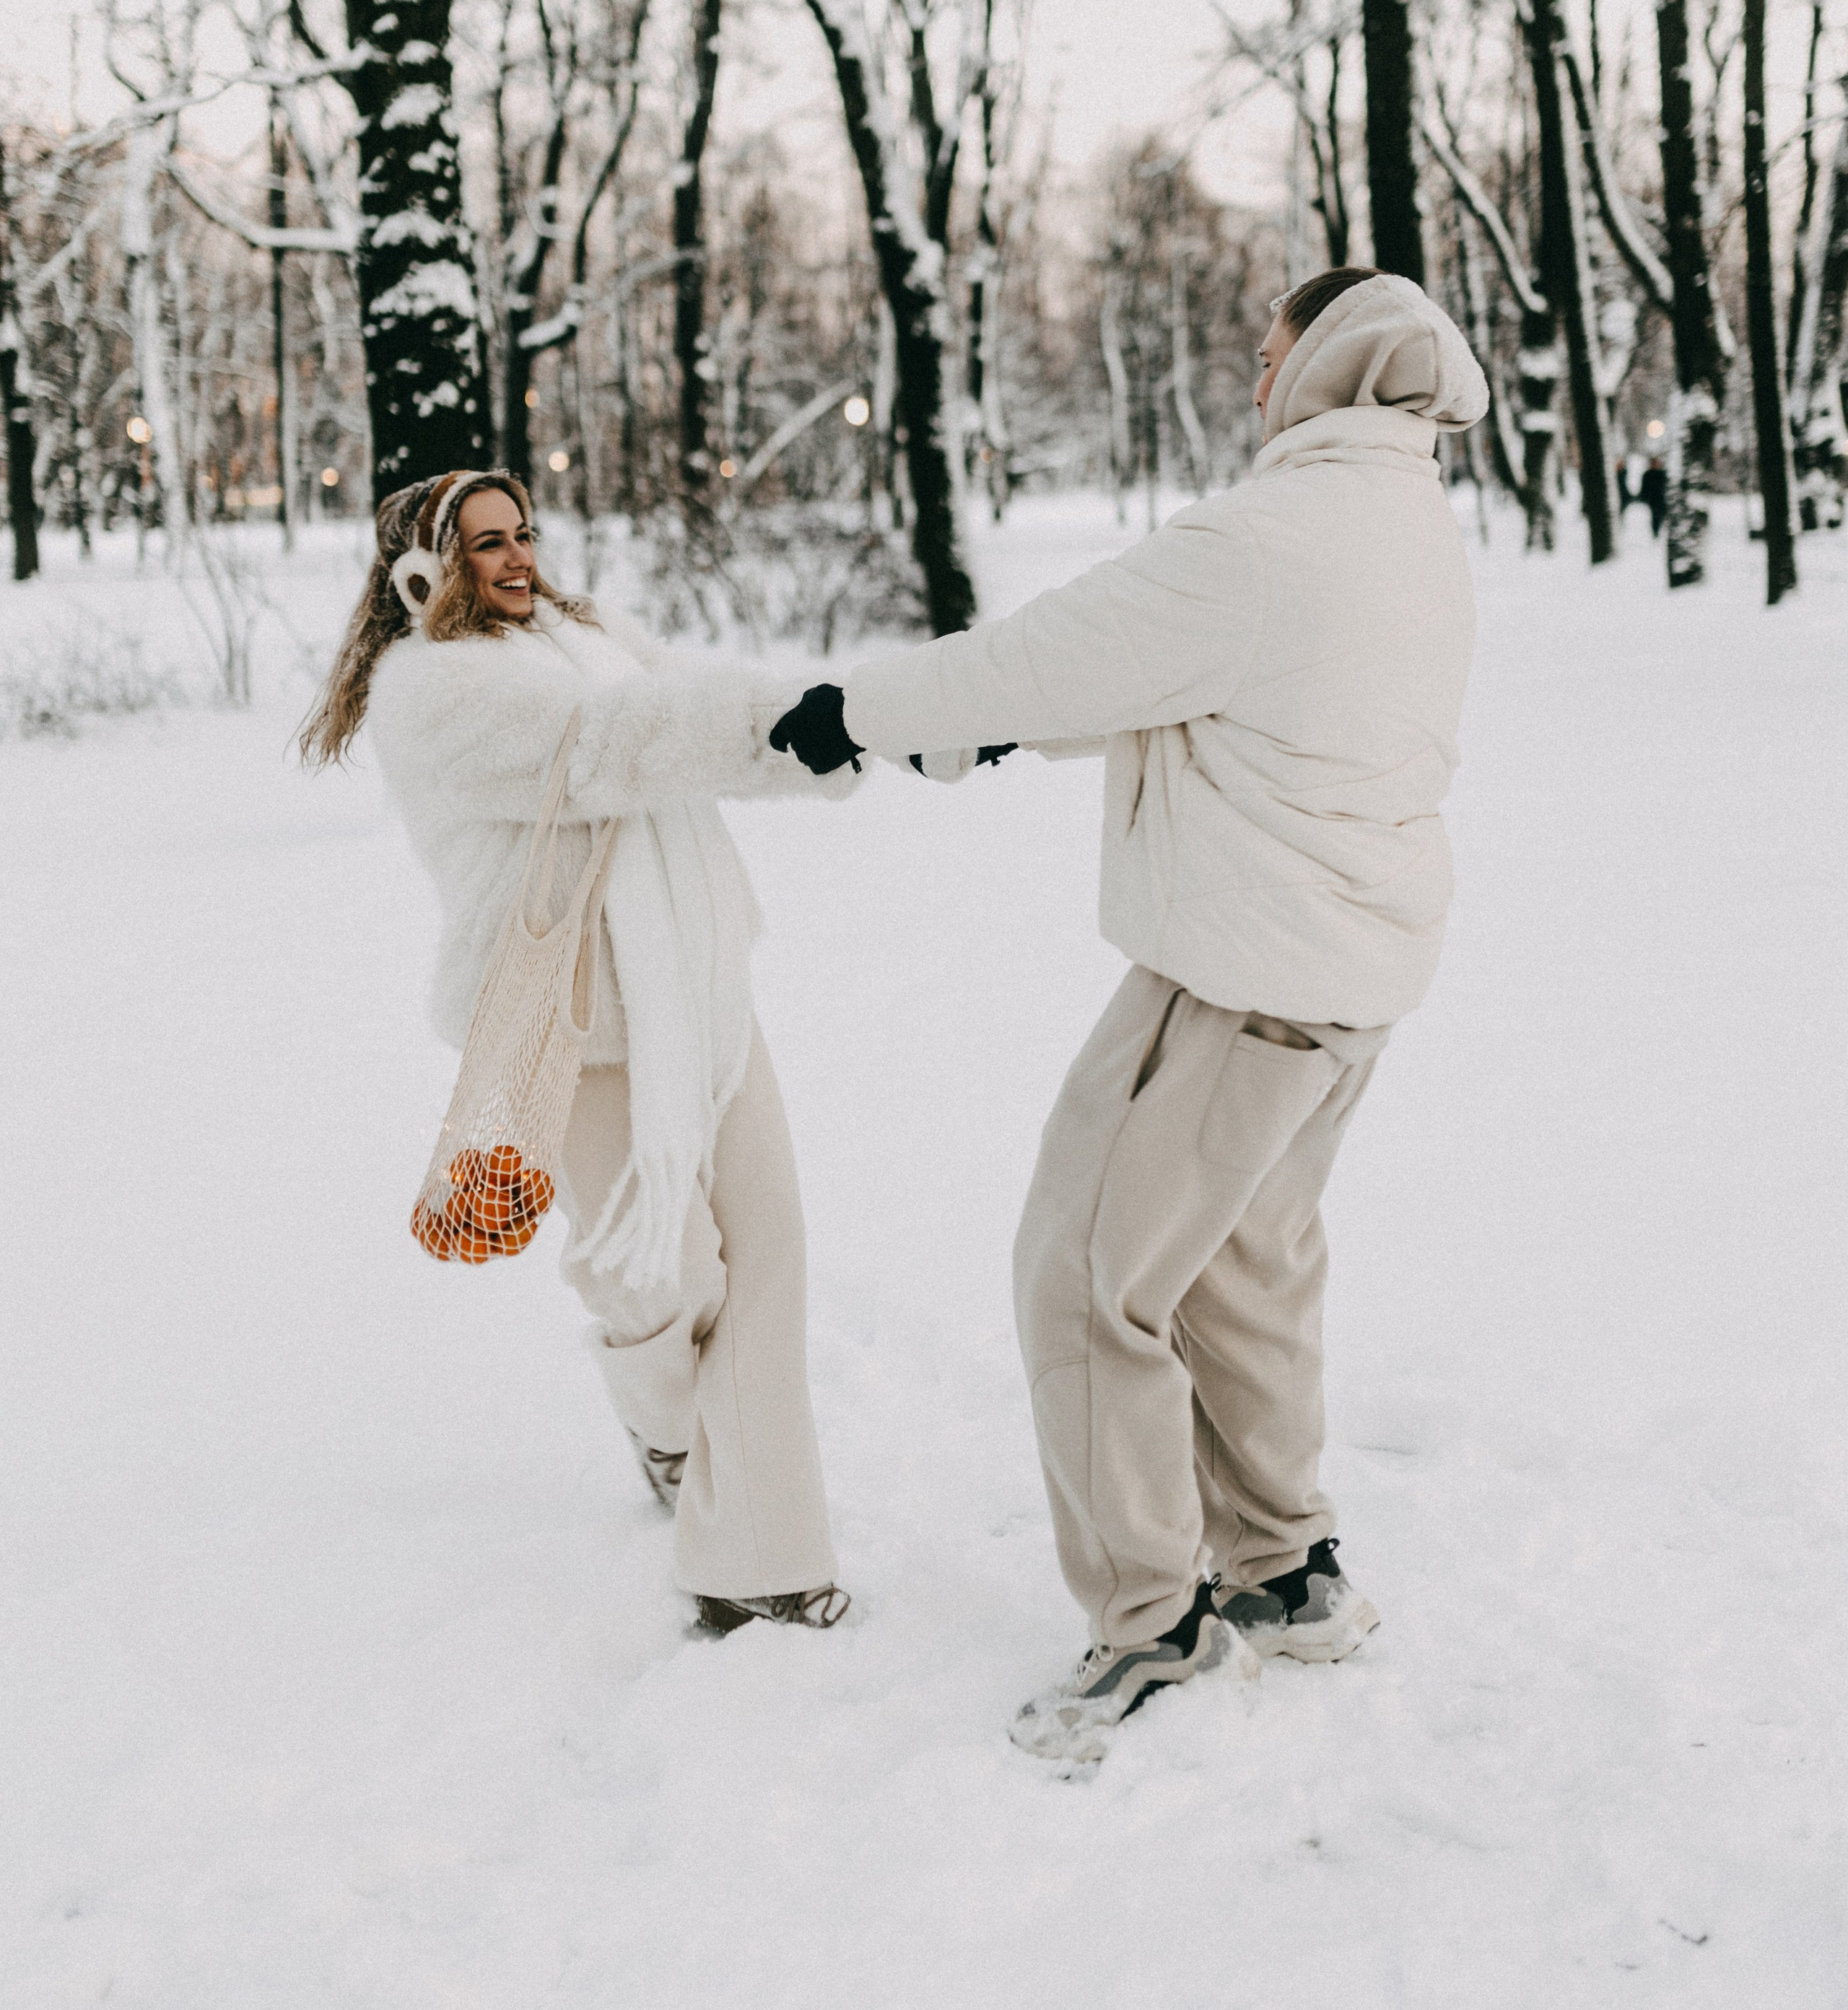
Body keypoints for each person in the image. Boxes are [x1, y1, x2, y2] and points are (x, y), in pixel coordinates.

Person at [770, 269, 1489, 1759]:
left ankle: (1148, 1618)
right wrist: (970, 738)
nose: (1251, 380)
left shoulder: (1266, 537)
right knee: (1241, 1276)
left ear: (1328, 360)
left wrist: (860, 711)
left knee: (1087, 1277)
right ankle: (1287, 1571)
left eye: (1269, 350)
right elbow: (1170, 685)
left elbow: (1051, 655)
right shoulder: (1404, 522)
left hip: (1237, 981)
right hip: (1344, 982)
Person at [301, 468, 853, 1638]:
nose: (517, 560)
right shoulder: (429, 690)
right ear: (420, 570)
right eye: (483, 543)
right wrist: (786, 720)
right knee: (659, 1275)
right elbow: (610, 750)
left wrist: (847, 730)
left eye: (524, 534)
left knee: (767, 1258)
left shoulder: (587, 636)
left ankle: (759, 1555)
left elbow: (692, 713)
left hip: (701, 985)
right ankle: (665, 1432)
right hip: (580, 1023)